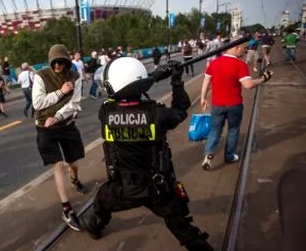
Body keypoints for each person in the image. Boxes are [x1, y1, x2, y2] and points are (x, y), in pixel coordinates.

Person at [80, 57, 213, 251]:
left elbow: (117, 93)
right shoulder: (158, 115)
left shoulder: (105, 112)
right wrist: (175, 79)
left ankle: (94, 228)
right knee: (182, 227)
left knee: (101, 202)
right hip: (157, 188)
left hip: (123, 187)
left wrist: (154, 75)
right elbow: (181, 108)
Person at [32, 44, 89, 231]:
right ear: (50, 61)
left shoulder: (75, 77)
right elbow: (38, 103)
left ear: (67, 61)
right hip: (44, 128)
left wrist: (57, 116)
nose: (58, 65)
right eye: (54, 62)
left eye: (61, 62)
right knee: (58, 165)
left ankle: (75, 179)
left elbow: (75, 103)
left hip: (66, 125)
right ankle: (67, 209)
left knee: (72, 163)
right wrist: (60, 92)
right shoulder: (41, 76)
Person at [201, 36, 273, 170]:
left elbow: (206, 81)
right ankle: (229, 156)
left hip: (217, 104)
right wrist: (263, 79)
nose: (244, 52)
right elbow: (248, 84)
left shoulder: (214, 63)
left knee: (215, 130)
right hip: (234, 105)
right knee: (233, 130)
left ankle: (208, 154)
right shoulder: (240, 65)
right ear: (236, 47)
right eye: (244, 49)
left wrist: (203, 98)